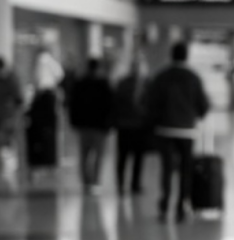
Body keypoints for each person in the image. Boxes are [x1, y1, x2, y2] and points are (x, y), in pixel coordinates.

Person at [144, 42, 210, 222]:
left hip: (165, 129)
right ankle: (182, 206)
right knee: (186, 169)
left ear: (171, 55)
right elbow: (203, 105)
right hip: (186, 131)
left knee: (166, 168)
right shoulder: (193, 77)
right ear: (186, 56)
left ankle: (165, 205)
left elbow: (150, 102)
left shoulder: (161, 76)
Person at [68, 58, 113, 194]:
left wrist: (74, 122)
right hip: (99, 126)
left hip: (84, 126)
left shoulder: (80, 84)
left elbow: (73, 104)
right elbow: (110, 105)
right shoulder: (104, 84)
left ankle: (86, 182)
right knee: (98, 155)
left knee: (84, 155)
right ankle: (95, 181)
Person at [112, 59, 151, 196]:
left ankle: (131, 184)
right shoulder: (129, 84)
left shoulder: (146, 84)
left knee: (134, 158)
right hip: (129, 126)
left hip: (135, 126)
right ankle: (125, 184)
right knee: (126, 157)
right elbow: (116, 104)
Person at [26, 48, 66, 177]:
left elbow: (37, 79)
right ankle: (48, 160)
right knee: (48, 134)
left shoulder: (42, 61)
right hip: (47, 99)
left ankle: (45, 160)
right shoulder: (49, 62)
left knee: (43, 135)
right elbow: (60, 75)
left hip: (45, 98)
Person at [0, 57, 24, 158]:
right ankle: (4, 158)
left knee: (7, 137)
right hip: (0, 114)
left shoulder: (11, 79)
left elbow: (18, 98)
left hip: (9, 114)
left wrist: (14, 113)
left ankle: (9, 159)